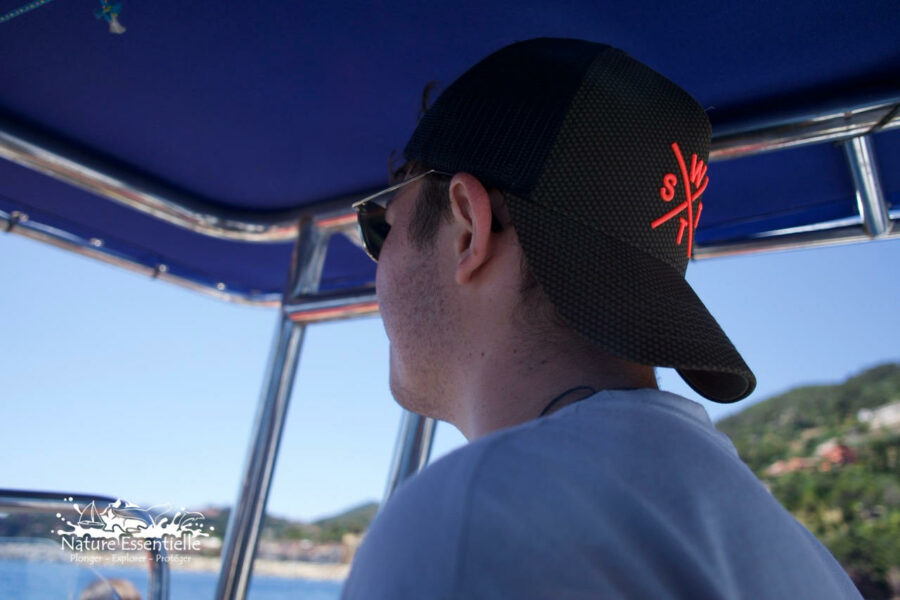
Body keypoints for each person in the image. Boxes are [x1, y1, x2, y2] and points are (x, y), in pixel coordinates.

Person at [342, 38, 861, 599]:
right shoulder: (800, 557)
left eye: (381, 228)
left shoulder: (466, 522)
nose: (377, 263)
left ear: (468, 227)